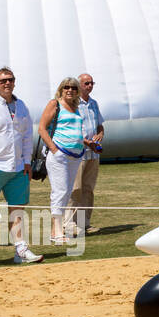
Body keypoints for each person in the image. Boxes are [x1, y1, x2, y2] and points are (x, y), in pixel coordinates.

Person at [0, 67, 43, 264]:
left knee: (17, 210)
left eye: (10, 79)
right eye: (3, 81)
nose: (7, 83)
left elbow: (26, 136)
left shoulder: (22, 106)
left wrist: (27, 161)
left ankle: (21, 251)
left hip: (17, 168)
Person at [38, 77, 88, 244]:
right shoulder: (55, 104)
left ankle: (56, 230)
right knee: (59, 191)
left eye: (73, 88)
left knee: (67, 192)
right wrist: (54, 149)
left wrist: (86, 143)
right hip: (60, 154)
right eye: (66, 87)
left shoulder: (76, 107)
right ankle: (57, 231)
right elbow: (42, 128)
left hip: (75, 155)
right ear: (61, 89)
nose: (70, 90)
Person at [67, 72, 104, 237]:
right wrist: (86, 142)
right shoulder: (73, 104)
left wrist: (100, 135)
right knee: (76, 188)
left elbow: (100, 125)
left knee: (88, 189)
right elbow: (70, 129)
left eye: (91, 83)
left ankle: (84, 223)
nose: (89, 86)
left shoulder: (94, 103)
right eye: (86, 83)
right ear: (79, 85)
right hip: (78, 153)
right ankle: (69, 225)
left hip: (93, 154)